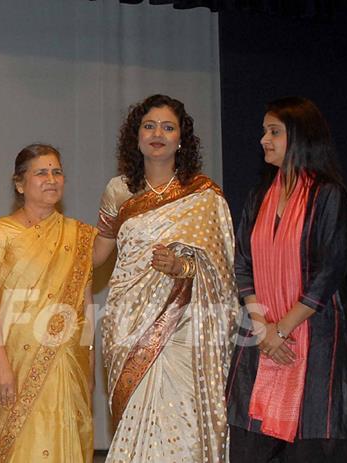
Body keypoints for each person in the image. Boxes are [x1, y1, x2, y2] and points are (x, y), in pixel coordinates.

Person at [94, 94, 239, 462]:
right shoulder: (118, 190)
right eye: (149, 126)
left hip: (184, 326)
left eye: (168, 127)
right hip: (127, 323)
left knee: (181, 425)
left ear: (180, 139)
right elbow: (97, 254)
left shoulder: (203, 196)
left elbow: (221, 269)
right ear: (136, 136)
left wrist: (182, 267)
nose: (157, 133)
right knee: (135, 423)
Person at [226, 97, 347, 463]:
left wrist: (281, 329)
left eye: (274, 132)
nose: (263, 139)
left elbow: (329, 273)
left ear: (301, 137)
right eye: (264, 131)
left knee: (311, 446)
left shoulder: (328, 196)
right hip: (261, 336)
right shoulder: (259, 197)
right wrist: (263, 328)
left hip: (313, 342)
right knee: (249, 445)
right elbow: (242, 264)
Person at [0, 144, 97, 462]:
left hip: (68, 364)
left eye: (57, 171)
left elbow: (86, 309)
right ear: (20, 184)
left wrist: (88, 370)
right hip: (15, 366)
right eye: (41, 172)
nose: (51, 178)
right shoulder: (0, 233)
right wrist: (0, 365)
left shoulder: (79, 236)